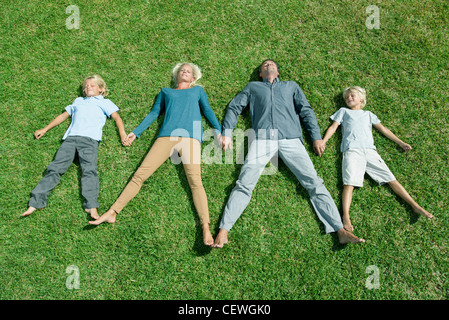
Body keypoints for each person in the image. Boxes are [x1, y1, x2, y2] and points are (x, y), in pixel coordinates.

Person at [213, 59, 365, 248]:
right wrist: (227, 132)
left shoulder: (291, 86)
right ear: (260, 74)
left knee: (314, 183)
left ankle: (339, 230)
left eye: (272, 65)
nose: (268, 65)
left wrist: (316, 137)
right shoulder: (253, 87)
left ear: (277, 72)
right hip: (262, 140)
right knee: (244, 183)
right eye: (264, 65)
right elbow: (234, 107)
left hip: (291, 139)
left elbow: (306, 111)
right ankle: (224, 229)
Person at [90, 62, 222, 246]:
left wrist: (219, 131)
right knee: (139, 176)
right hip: (165, 137)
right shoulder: (166, 92)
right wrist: (136, 132)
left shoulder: (197, 91)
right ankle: (112, 212)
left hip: (190, 138)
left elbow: (207, 110)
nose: (185, 71)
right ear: (177, 75)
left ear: (193, 78)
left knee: (195, 182)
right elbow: (153, 114)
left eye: (189, 71)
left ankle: (206, 228)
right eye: (182, 70)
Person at [322, 86, 433, 231]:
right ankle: (346, 217)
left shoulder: (368, 114)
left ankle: (415, 206)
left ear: (361, 99)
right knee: (349, 184)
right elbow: (333, 127)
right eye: (346, 97)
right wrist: (324, 141)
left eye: (352, 96)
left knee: (391, 179)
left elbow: (383, 129)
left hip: (370, 152)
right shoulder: (343, 112)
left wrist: (400, 142)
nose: (349, 98)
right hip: (352, 151)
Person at [21, 75, 127, 219]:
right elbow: (63, 116)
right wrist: (45, 129)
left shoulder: (105, 102)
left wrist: (122, 135)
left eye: (92, 85)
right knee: (55, 168)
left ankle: (91, 206)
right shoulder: (78, 101)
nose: (88, 87)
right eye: (86, 86)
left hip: (90, 141)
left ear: (101, 89)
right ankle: (36, 202)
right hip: (70, 140)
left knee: (89, 171)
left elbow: (117, 118)